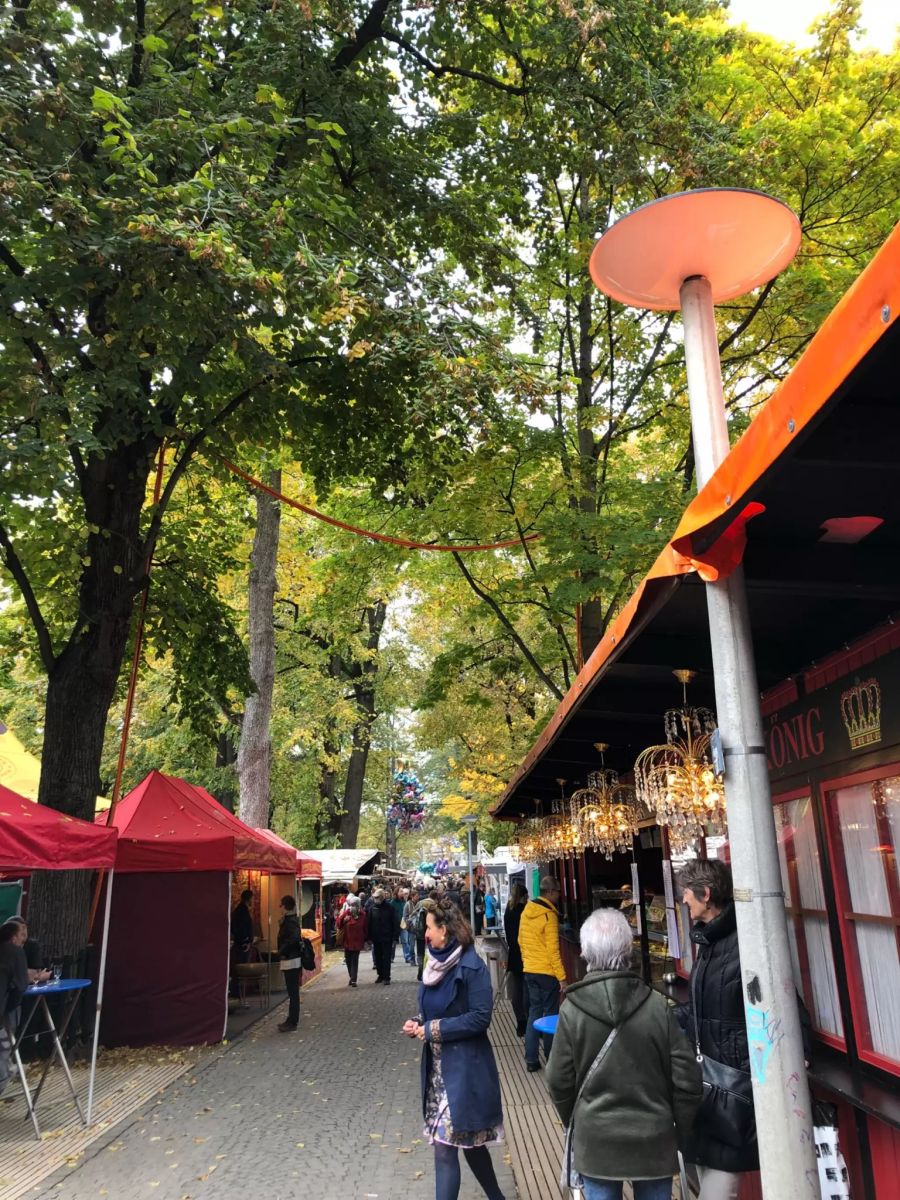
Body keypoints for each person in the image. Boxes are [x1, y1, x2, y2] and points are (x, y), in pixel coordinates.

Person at [546, 908, 702, 1200]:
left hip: (596, 1142)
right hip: (654, 1139)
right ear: (628, 949)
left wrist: (576, 1122)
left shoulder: (572, 1010)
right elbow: (688, 1080)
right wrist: (678, 1129)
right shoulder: (656, 1006)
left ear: (586, 952)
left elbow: (557, 1080)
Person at [402, 897, 506, 1200]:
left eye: (430, 928)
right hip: (438, 1073)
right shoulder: (432, 962)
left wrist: (433, 1029)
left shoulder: (472, 966)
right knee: (469, 1144)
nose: (425, 934)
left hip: (464, 1072)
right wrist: (417, 1021)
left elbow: (479, 1017)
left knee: (446, 1149)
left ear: (445, 929)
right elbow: (435, 1008)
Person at [676, 859, 761, 1200]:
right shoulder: (708, 945)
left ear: (706, 894)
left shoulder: (744, 946)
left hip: (732, 1093)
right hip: (702, 1088)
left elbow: (778, 1005)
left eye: (686, 892)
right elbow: (700, 1011)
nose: (683, 900)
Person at [519, 875, 567, 1071]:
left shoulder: (526, 912)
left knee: (534, 1014)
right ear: (550, 892)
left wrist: (527, 962)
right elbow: (553, 951)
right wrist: (562, 977)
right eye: (557, 892)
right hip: (547, 973)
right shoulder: (549, 916)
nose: (559, 896)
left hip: (530, 970)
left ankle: (531, 1060)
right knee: (550, 1016)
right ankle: (551, 1058)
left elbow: (521, 942)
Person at [0, 919, 49, 1094]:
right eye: (22, 937)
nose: (24, 941)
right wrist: (8, 1007)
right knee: (4, 1049)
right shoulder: (15, 953)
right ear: (13, 938)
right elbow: (20, 987)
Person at [502, 884, 529, 1037]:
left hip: (514, 954)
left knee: (517, 991)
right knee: (527, 991)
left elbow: (509, 935)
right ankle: (528, 1020)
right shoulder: (525, 911)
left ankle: (520, 1022)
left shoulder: (508, 910)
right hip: (526, 953)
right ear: (524, 896)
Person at [277, 894, 302, 1032]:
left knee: (293, 992)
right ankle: (291, 1019)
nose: (279, 908)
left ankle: (292, 1021)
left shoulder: (290, 921)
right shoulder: (288, 920)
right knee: (292, 992)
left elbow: (294, 939)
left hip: (291, 960)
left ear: (285, 906)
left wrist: (282, 950)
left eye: (280, 905)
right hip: (290, 959)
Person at [368, 889, 400, 984]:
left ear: (382, 897)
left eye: (377, 897)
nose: (376, 899)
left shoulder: (390, 908)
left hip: (387, 937)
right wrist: (369, 937)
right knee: (378, 957)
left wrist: (395, 937)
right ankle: (380, 975)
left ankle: (387, 977)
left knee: (386, 958)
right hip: (376, 938)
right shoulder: (372, 908)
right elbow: (369, 923)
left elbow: (395, 923)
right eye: (375, 897)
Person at [402, 889, 420, 967]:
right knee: (411, 945)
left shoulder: (420, 904)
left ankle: (419, 960)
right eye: (416, 896)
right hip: (411, 928)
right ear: (412, 896)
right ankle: (412, 960)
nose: (418, 897)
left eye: (418, 896)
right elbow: (404, 916)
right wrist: (410, 920)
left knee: (419, 945)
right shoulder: (407, 904)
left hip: (419, 928)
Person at [390, 887, 407, 963]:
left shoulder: (404, 902)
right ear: (397, 893)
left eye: (403, 891)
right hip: (394, 925)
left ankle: (407, 957)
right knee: (393, 942)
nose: (402, 893)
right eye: (401, 891)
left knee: (405, 941)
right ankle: (391, 957)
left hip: (403, 924)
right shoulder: (392, 902)